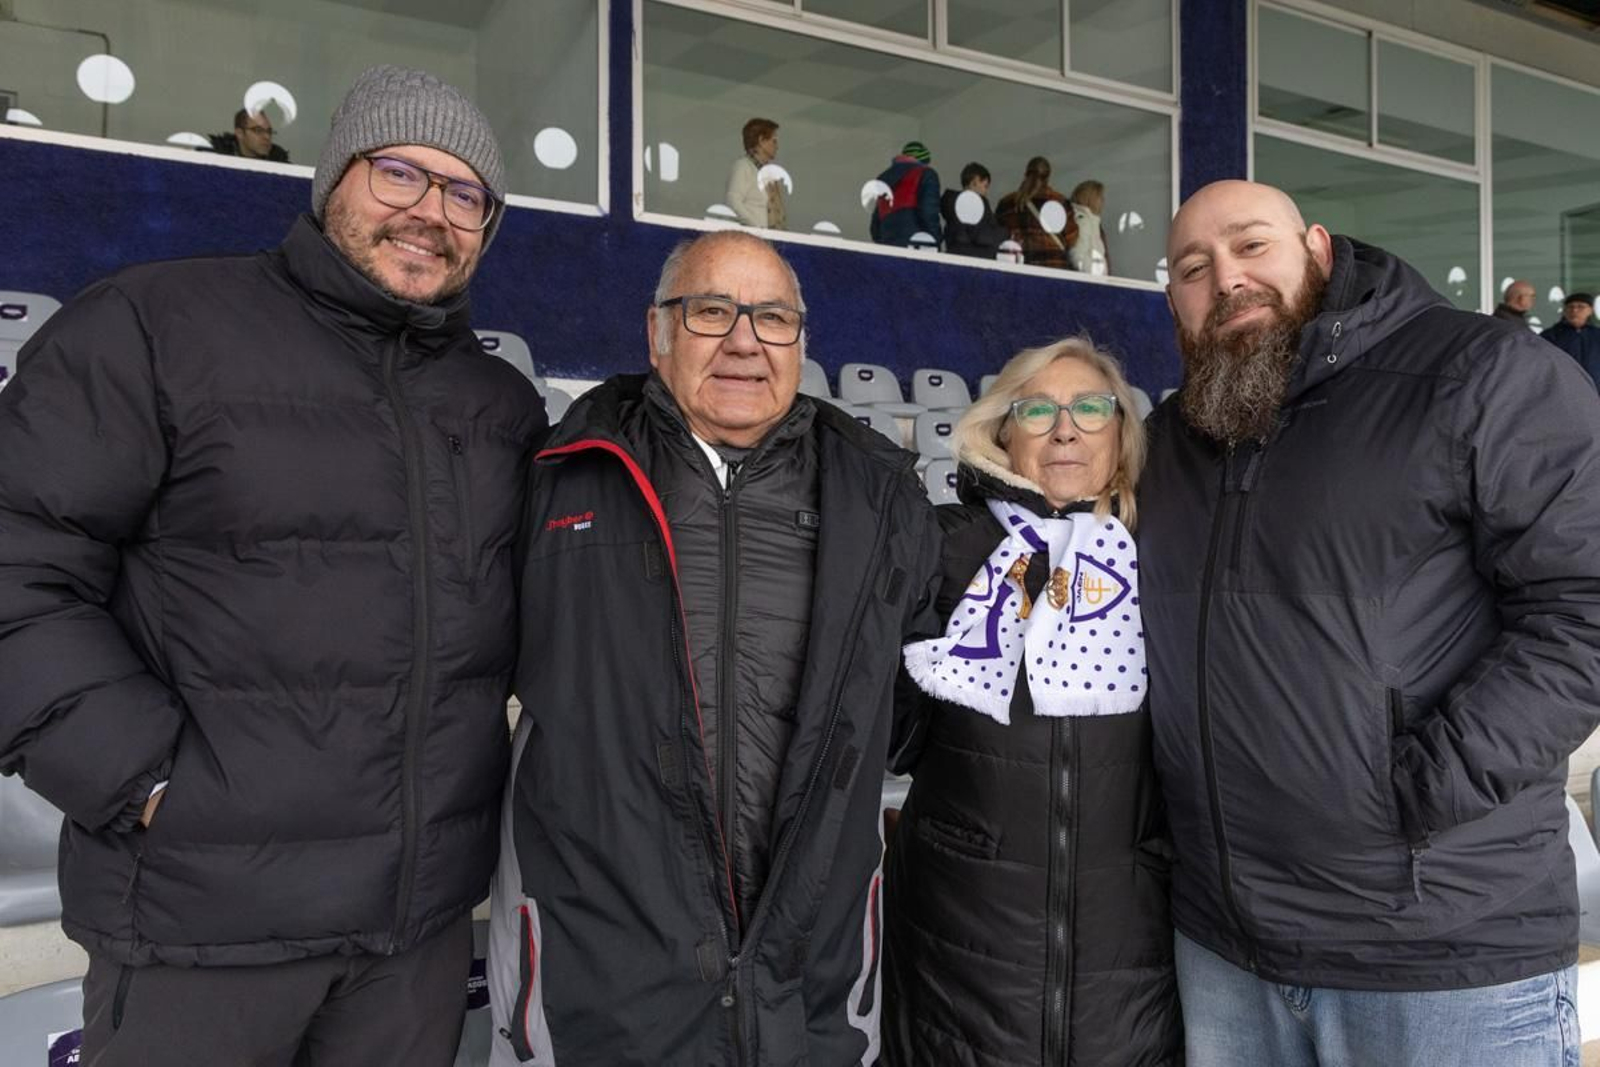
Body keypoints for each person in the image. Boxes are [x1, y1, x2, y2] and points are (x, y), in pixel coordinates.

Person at [0, 65, 546, 1066]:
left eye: (465, 193)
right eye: (400, 173)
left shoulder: (498, 405)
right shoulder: (157, 327)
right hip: (201, 922)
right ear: (335, 177)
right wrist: (148, 781)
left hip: (411, 936)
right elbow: (15, 568)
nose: (431, 211)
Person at [1140, 179, 1600, 1066]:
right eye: (1193, 268)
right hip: (1225, 953)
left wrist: (1421, 787)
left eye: (1250, 246)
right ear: (1174, 302)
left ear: (1318, 247)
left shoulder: (1478, 372)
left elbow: (1583, 606)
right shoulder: (1173, 442)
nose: (1226, 278)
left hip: (1439, 954)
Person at [488, 229, 942, 1064]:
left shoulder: (879, 495)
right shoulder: (557, 475)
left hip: (810, 986)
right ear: (657, 333)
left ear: (801, 342)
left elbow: (917, 700)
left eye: (771, 317)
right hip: (597, 984)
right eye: (711, 311)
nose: (743, 339)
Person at [881, 337, 1182, 1066]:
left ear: (1121, 434)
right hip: (963, 943)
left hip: (1127, 949)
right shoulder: (943, 548)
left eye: (1090, 407)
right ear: (1003, 432)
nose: (1067, 427)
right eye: (1039, 408)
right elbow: (888, 734)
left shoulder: (1167, 558)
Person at [996, 156, 1077, 270]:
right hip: (1054, 267)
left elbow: (1000, 238)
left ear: (1025, 173)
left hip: (1019, 267)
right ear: (1048, 177)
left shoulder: (1006, 203)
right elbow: (1072, 239)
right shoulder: (1060, 202)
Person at [869, 140, 943, 248]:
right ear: (924, 160)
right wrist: (936, 239)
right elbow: (928, 211)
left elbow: (875, 227)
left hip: (887, 245)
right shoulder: (926, 174)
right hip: (916, 244)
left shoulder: (885, 181)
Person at [939, 161, 1009, 260]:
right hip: (979, 259)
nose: (986, 192)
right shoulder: (981, 203)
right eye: (985, 186)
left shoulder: (950, 203)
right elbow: (986, 236)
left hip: (954, 256)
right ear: (974, 181)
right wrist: (1006, 232)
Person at [726, 117, 785, 230]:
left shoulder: (770, 175)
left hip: (771, 241)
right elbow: (733, 202)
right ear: (761, 140)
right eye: (774, 141)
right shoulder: (743, 167)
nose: (777, 146)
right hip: (754, 240)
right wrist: (756, 228)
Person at [1540, 291, 1600, 389]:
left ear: (1590, 310)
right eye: (1570, 307)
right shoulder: (1551, 336)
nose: (1574, 310)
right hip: (1562, 389)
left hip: (1595, 390)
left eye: (1580, 307)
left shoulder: (1597, 335)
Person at [207, 107, 290, 161]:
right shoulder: (215, 159)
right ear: (240, 133)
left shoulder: (279, 161)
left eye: (269, 131)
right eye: (258, 130)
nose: (267, 137)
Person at [1067, 179, 1112, 275]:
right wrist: (1094, 275)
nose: (1103, 200)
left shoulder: (1092, 222)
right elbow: (1077, 256)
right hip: (1090, 284)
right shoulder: (1083, 221)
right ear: (1090, 198)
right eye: (1099, 197)